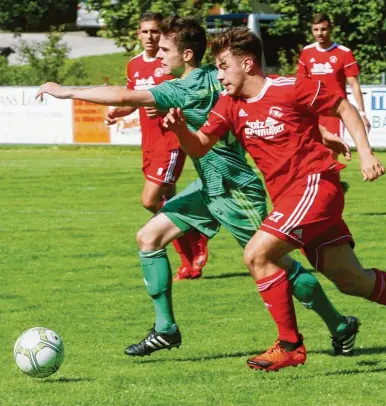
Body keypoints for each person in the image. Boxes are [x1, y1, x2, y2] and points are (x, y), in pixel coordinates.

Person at [36, 16, 361, 363]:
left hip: (235, 188)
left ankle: (339, 325)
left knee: (278, 265)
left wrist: (67, 91)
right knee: (149, 238)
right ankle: (165, 329)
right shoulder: (213, 74)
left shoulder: (184, 87)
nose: (157, 55)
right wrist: (319, 131)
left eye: (164, 49)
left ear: (187, 55)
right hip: (207, 185)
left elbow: (124, 92)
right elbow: (256, 99)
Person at [163, 27, 386, 371]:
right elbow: (200, 145)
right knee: (352, 281)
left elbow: (344, 108)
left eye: (222, 66)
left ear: (247, 63)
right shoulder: (229, 105)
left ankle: (290, 345)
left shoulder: (291, 87)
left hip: (315, 186)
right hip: (290, 199)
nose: (219, 75)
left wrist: (366, 154)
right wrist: (180, 131)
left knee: (257, 254)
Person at [104, 12, 209, 280]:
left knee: (149, 199)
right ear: (138, 34)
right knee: (168, 201)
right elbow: (135, 99)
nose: (150, 37)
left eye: (154, 32)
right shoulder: (134, 65)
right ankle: (188, 263)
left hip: (170, 140)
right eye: (145, 31)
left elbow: (180, 97)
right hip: (149, 142)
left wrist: (164, 108)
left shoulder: (168, 65)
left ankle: (193, 228)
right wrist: (119, 112)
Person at [297, 13, 371, 140]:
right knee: (312, 154)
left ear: (330, 29)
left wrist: (362, 113)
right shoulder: (306, 52)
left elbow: (354, 84)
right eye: (315, 29)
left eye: (323, 29)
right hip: (312, 111)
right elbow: (300, 83)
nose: (319, 33)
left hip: (335, 111)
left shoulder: (344, 53)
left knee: (331, 152)